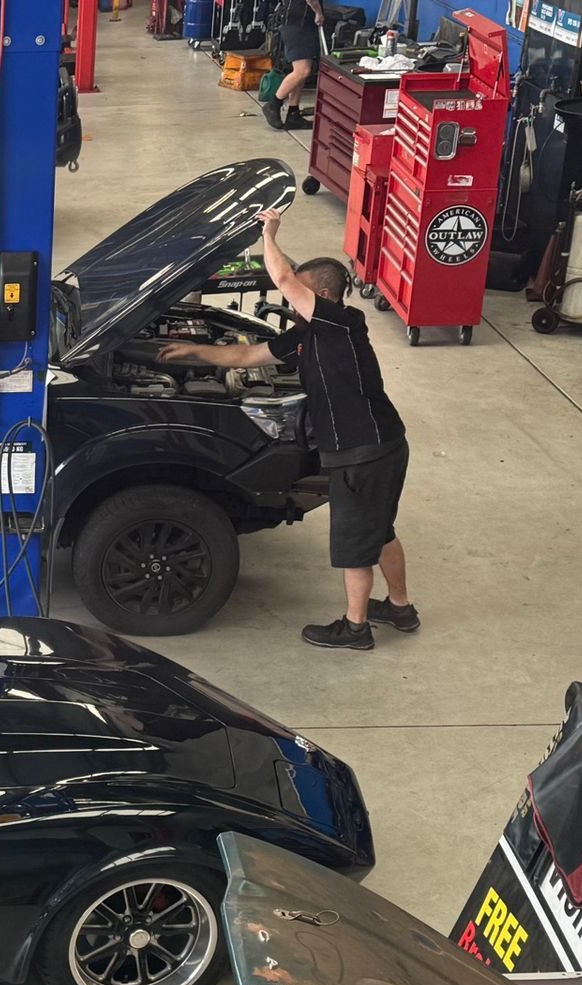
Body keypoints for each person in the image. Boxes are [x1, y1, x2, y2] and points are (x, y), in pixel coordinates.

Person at [157, 209, 417, 651]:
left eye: (299, 287)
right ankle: (399, 608)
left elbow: (280, 279)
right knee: (381, 530)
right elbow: (248, 357)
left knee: (355, 543)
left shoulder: (339, 322)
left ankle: (355, 630)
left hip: (362, 452)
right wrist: (192, 351)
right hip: (384, 444)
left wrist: (270, 233)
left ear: (320, 293)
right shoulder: (307, 335)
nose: (290, 295)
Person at [265, 0, 323, 131]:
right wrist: (319, 12)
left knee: (300, 71)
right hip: (298, 24)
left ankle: (293, 114)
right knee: (303, 71)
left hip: (295, 22)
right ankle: (273, 104)